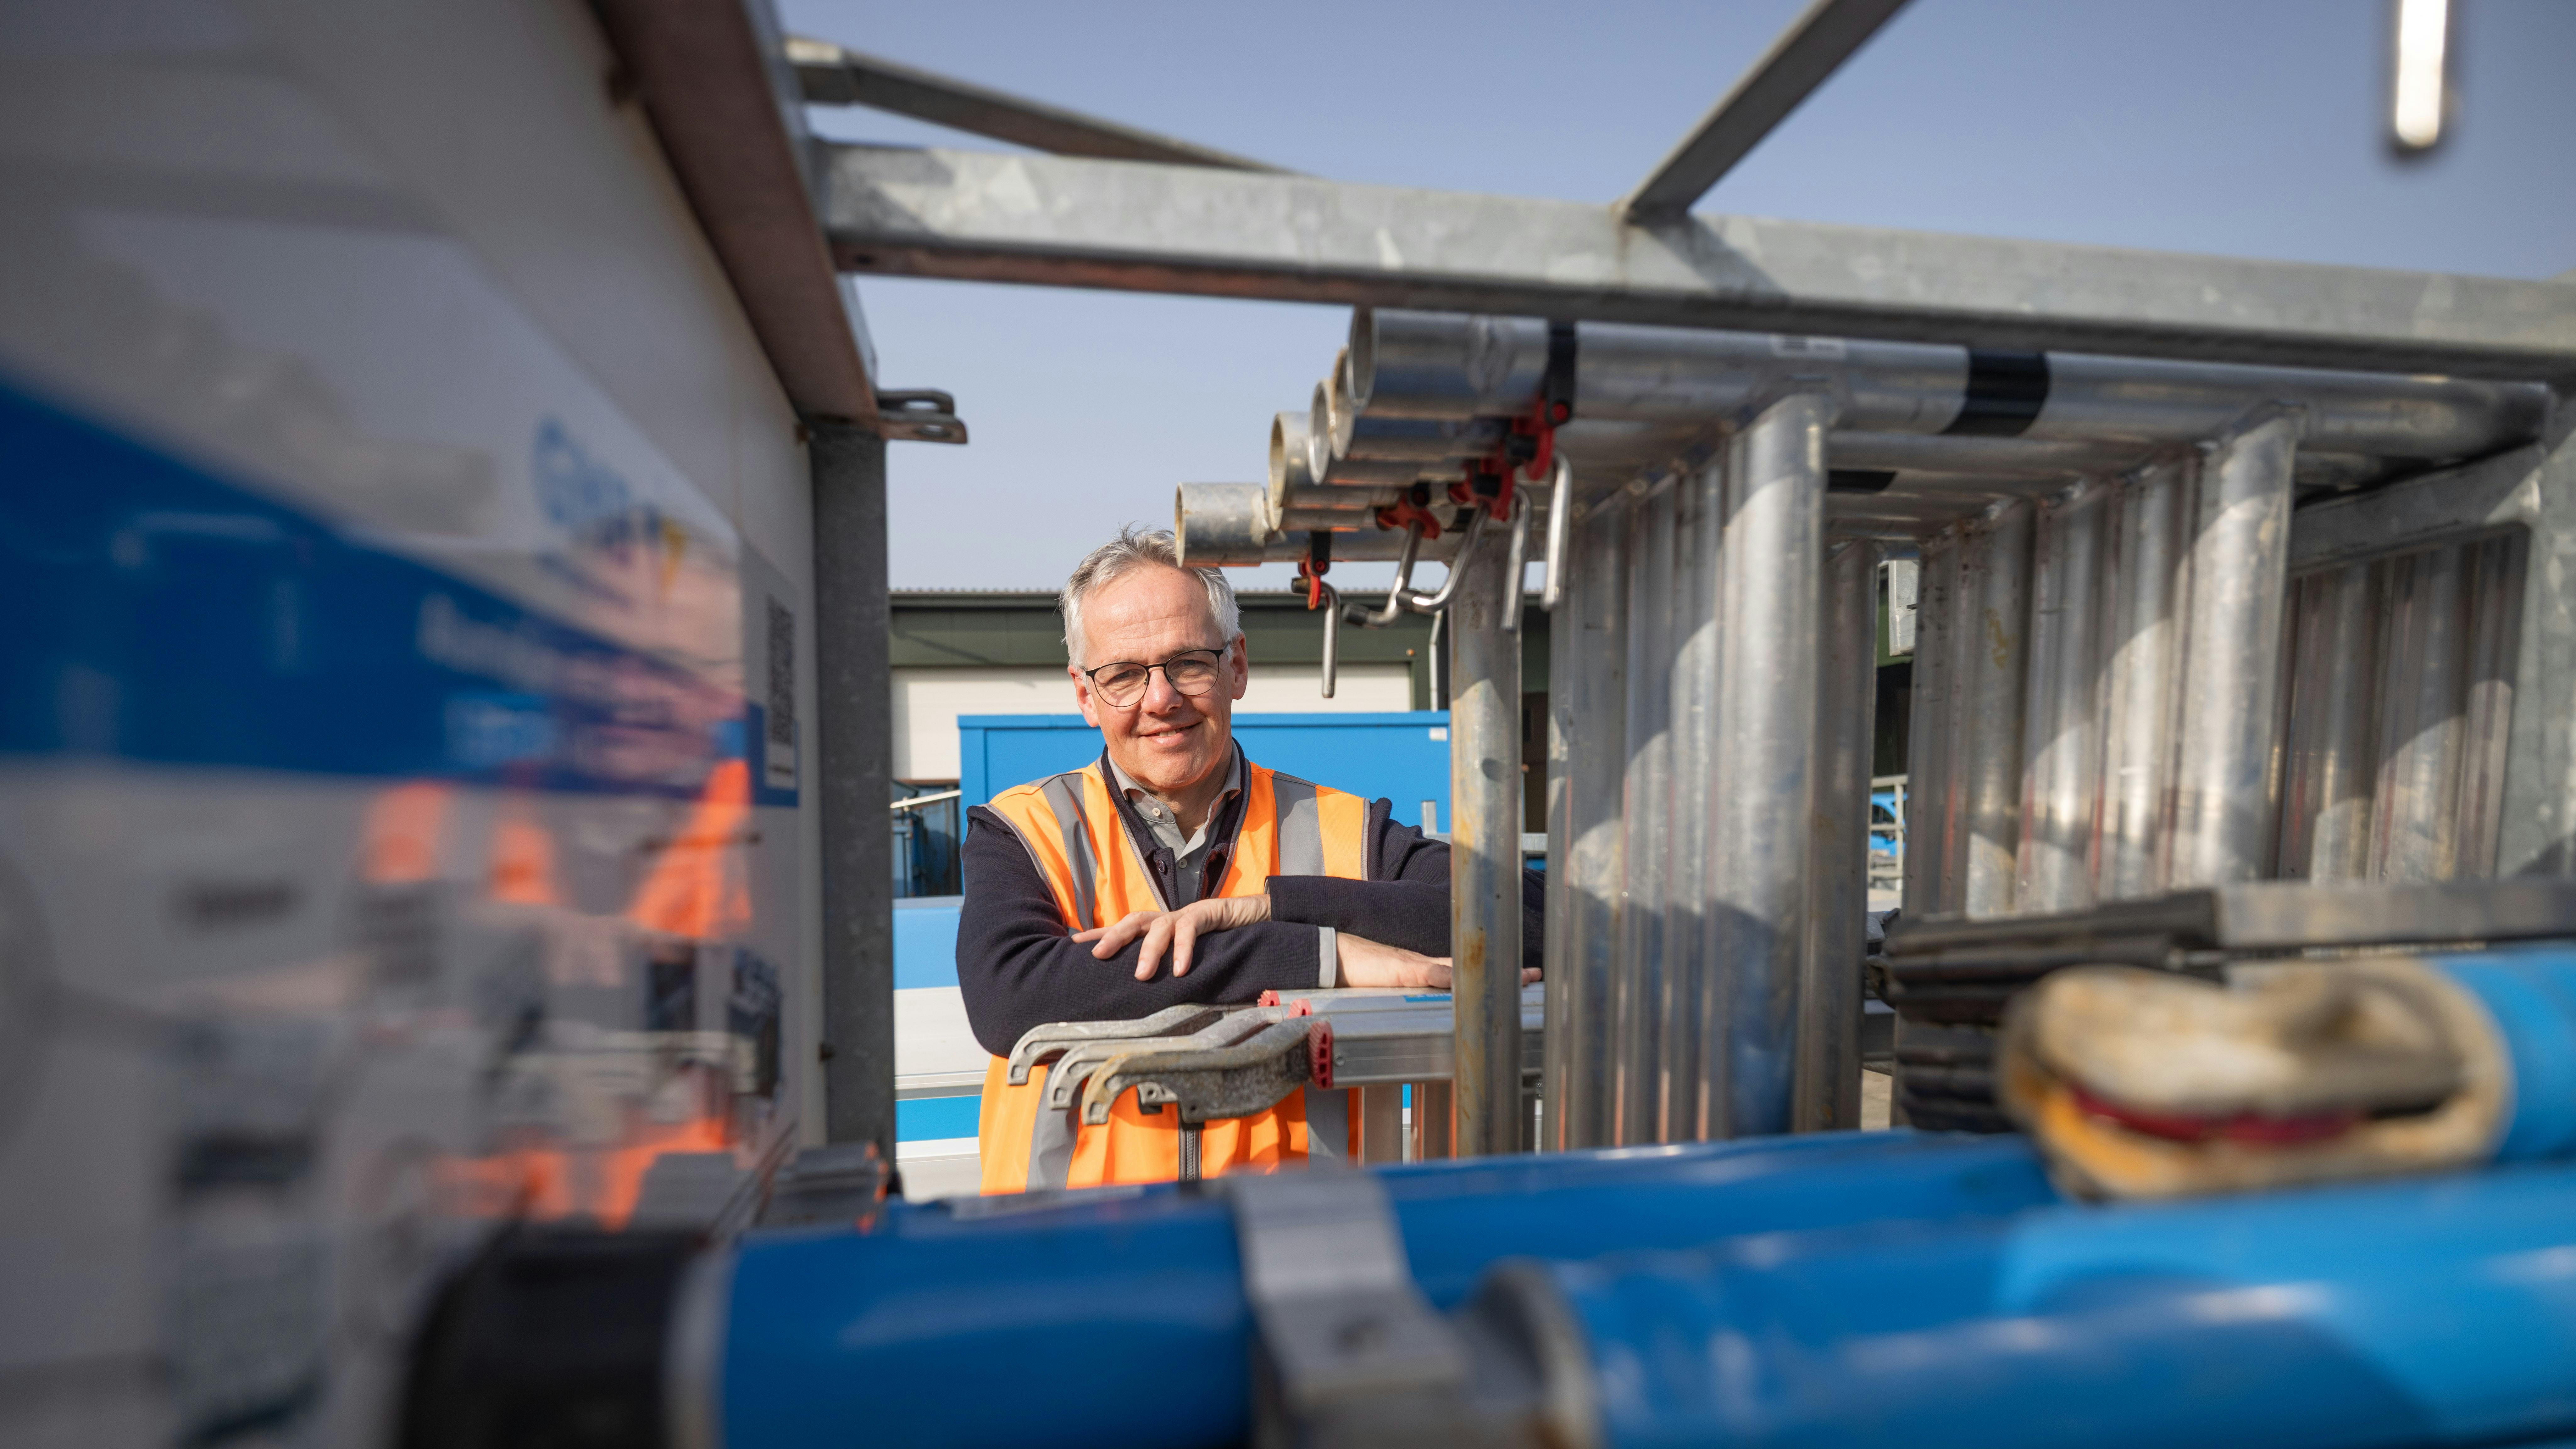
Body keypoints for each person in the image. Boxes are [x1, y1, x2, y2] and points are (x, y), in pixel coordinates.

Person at [957, 526, 1542, 1193]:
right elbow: (1009, 999)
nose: (1161, 699)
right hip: (1078, 1243)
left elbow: (1531, 920)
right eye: (1123, 675)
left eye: (1188, 663)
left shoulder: (1344, 828)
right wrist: (1320, 956)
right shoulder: (1024, 830)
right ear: (1085, 695)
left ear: (1236, 665)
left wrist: (1275, 908)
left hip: (1295, 1233)